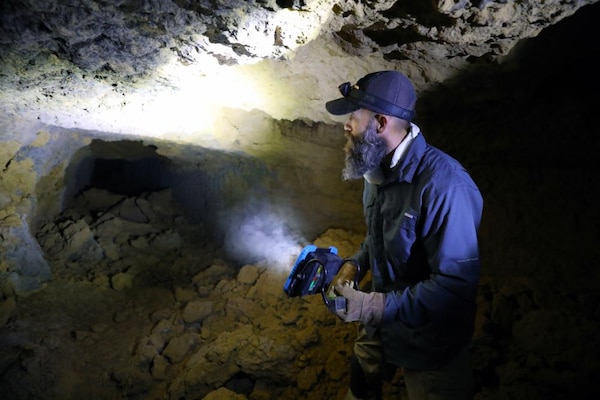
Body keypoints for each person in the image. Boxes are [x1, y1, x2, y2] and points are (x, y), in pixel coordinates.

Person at [324, 70, 484, 400]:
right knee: (360, 383)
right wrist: (355, 265)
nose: (346, 125)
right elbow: (382, 235)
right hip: (384, 321)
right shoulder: (376, 169)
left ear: (380, 124)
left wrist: (372, 306)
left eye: (353, 116)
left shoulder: (445, 186)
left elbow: (455, 288)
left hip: (431, 343)